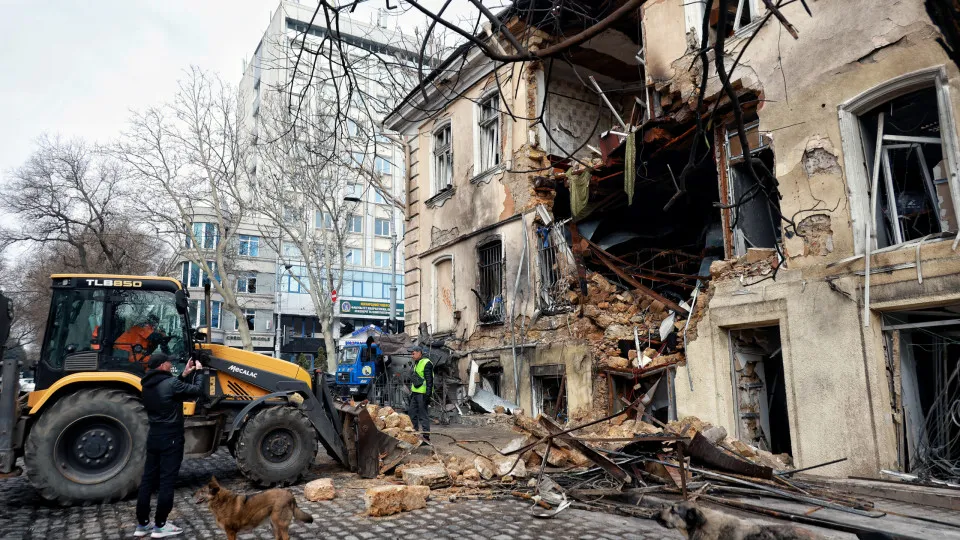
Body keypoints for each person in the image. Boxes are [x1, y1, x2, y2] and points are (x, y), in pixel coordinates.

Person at [134, 353, 202, 538]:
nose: (171, 364)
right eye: (169, 362)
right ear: (162, 365)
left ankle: (142, 524)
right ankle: (160, 525)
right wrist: (200, 372)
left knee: (148, 480)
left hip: (154, 436)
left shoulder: (146, 384)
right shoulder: (170, 384)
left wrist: (184, 374)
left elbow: (172, 389)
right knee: (166, 481)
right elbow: (196, 390)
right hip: (171, 438)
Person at [407, 346, 433, 442]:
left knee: (423, 415)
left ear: (419, 352)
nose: (412, 355)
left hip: (423, 394)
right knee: (412, 413)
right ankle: (415, 434)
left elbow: (430, 380)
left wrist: (428, 394)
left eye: (413, 353)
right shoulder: (417, 363)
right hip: (415, 393)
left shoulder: (426, 363)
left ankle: (426, 436)